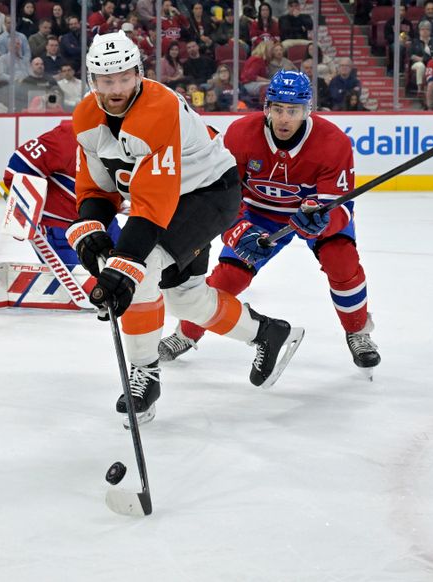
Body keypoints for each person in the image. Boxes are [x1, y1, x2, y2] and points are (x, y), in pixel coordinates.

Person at [68, 31, 304, 425]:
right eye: (107, 81)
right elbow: (98, 186)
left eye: (125, 77)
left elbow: (151, 205)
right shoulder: (87, 119)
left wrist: (121, 266)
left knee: (139, 272)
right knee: (183, 297)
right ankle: (266, 333)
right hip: (172, 199)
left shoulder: (157, 109)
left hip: (209, 194)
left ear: (139, 73)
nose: (117, 89)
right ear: (92, 81)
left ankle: (144, 376)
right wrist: (90, 226)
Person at [159, 70, 380, 376]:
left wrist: (321, 218)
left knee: (341, 259)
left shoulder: (334, 143)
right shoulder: (240, 134)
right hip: (257, 213)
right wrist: (237, 231)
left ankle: (357, 331)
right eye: (278, 109)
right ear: (267, 107)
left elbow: (342, 209)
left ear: (307, 110)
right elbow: (220, 195)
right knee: (228, 278)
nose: (284, 118)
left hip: (312, 214)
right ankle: (186, 333)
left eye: (293, 111)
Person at [3, 120, 121, 270]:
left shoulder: (133, 137)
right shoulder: (68, 136)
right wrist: (22, 215)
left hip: (105, 223)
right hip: (62, 230)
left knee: (130, 282)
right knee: (85, 286)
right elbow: (16, 170)